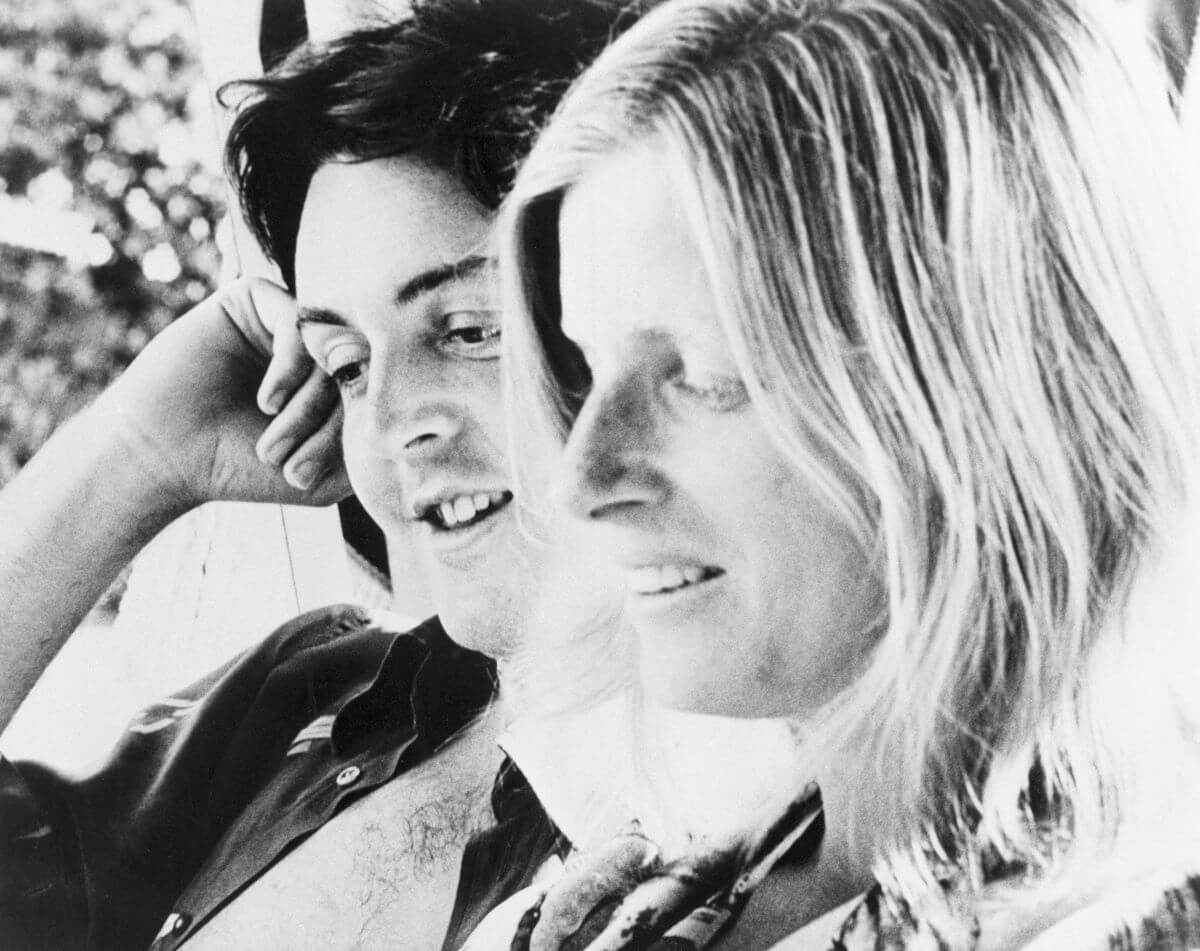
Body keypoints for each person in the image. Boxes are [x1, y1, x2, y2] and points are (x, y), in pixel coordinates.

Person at [498, 0, 1200, 947]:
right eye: (582, 369)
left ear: (990, 392)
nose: (579, 477)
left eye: (706, 376)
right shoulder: (630, 891)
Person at [0, 2, 654, 949]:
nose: (389, 424)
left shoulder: (761, 828)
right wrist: (134, 453)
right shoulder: (320, 695)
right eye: (347, 364)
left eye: (471, 330)